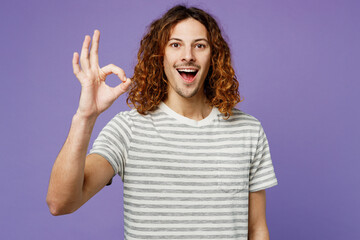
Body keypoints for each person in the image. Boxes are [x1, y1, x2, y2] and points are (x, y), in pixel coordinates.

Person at [46, 5, 278, 240]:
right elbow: (60, 203)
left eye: (200, 45)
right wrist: (85, 117)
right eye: (175, 44)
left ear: (214, 56)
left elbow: (257, 229)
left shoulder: (248, 131)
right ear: (160, 56)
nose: (188, 55)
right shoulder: (129, 129)